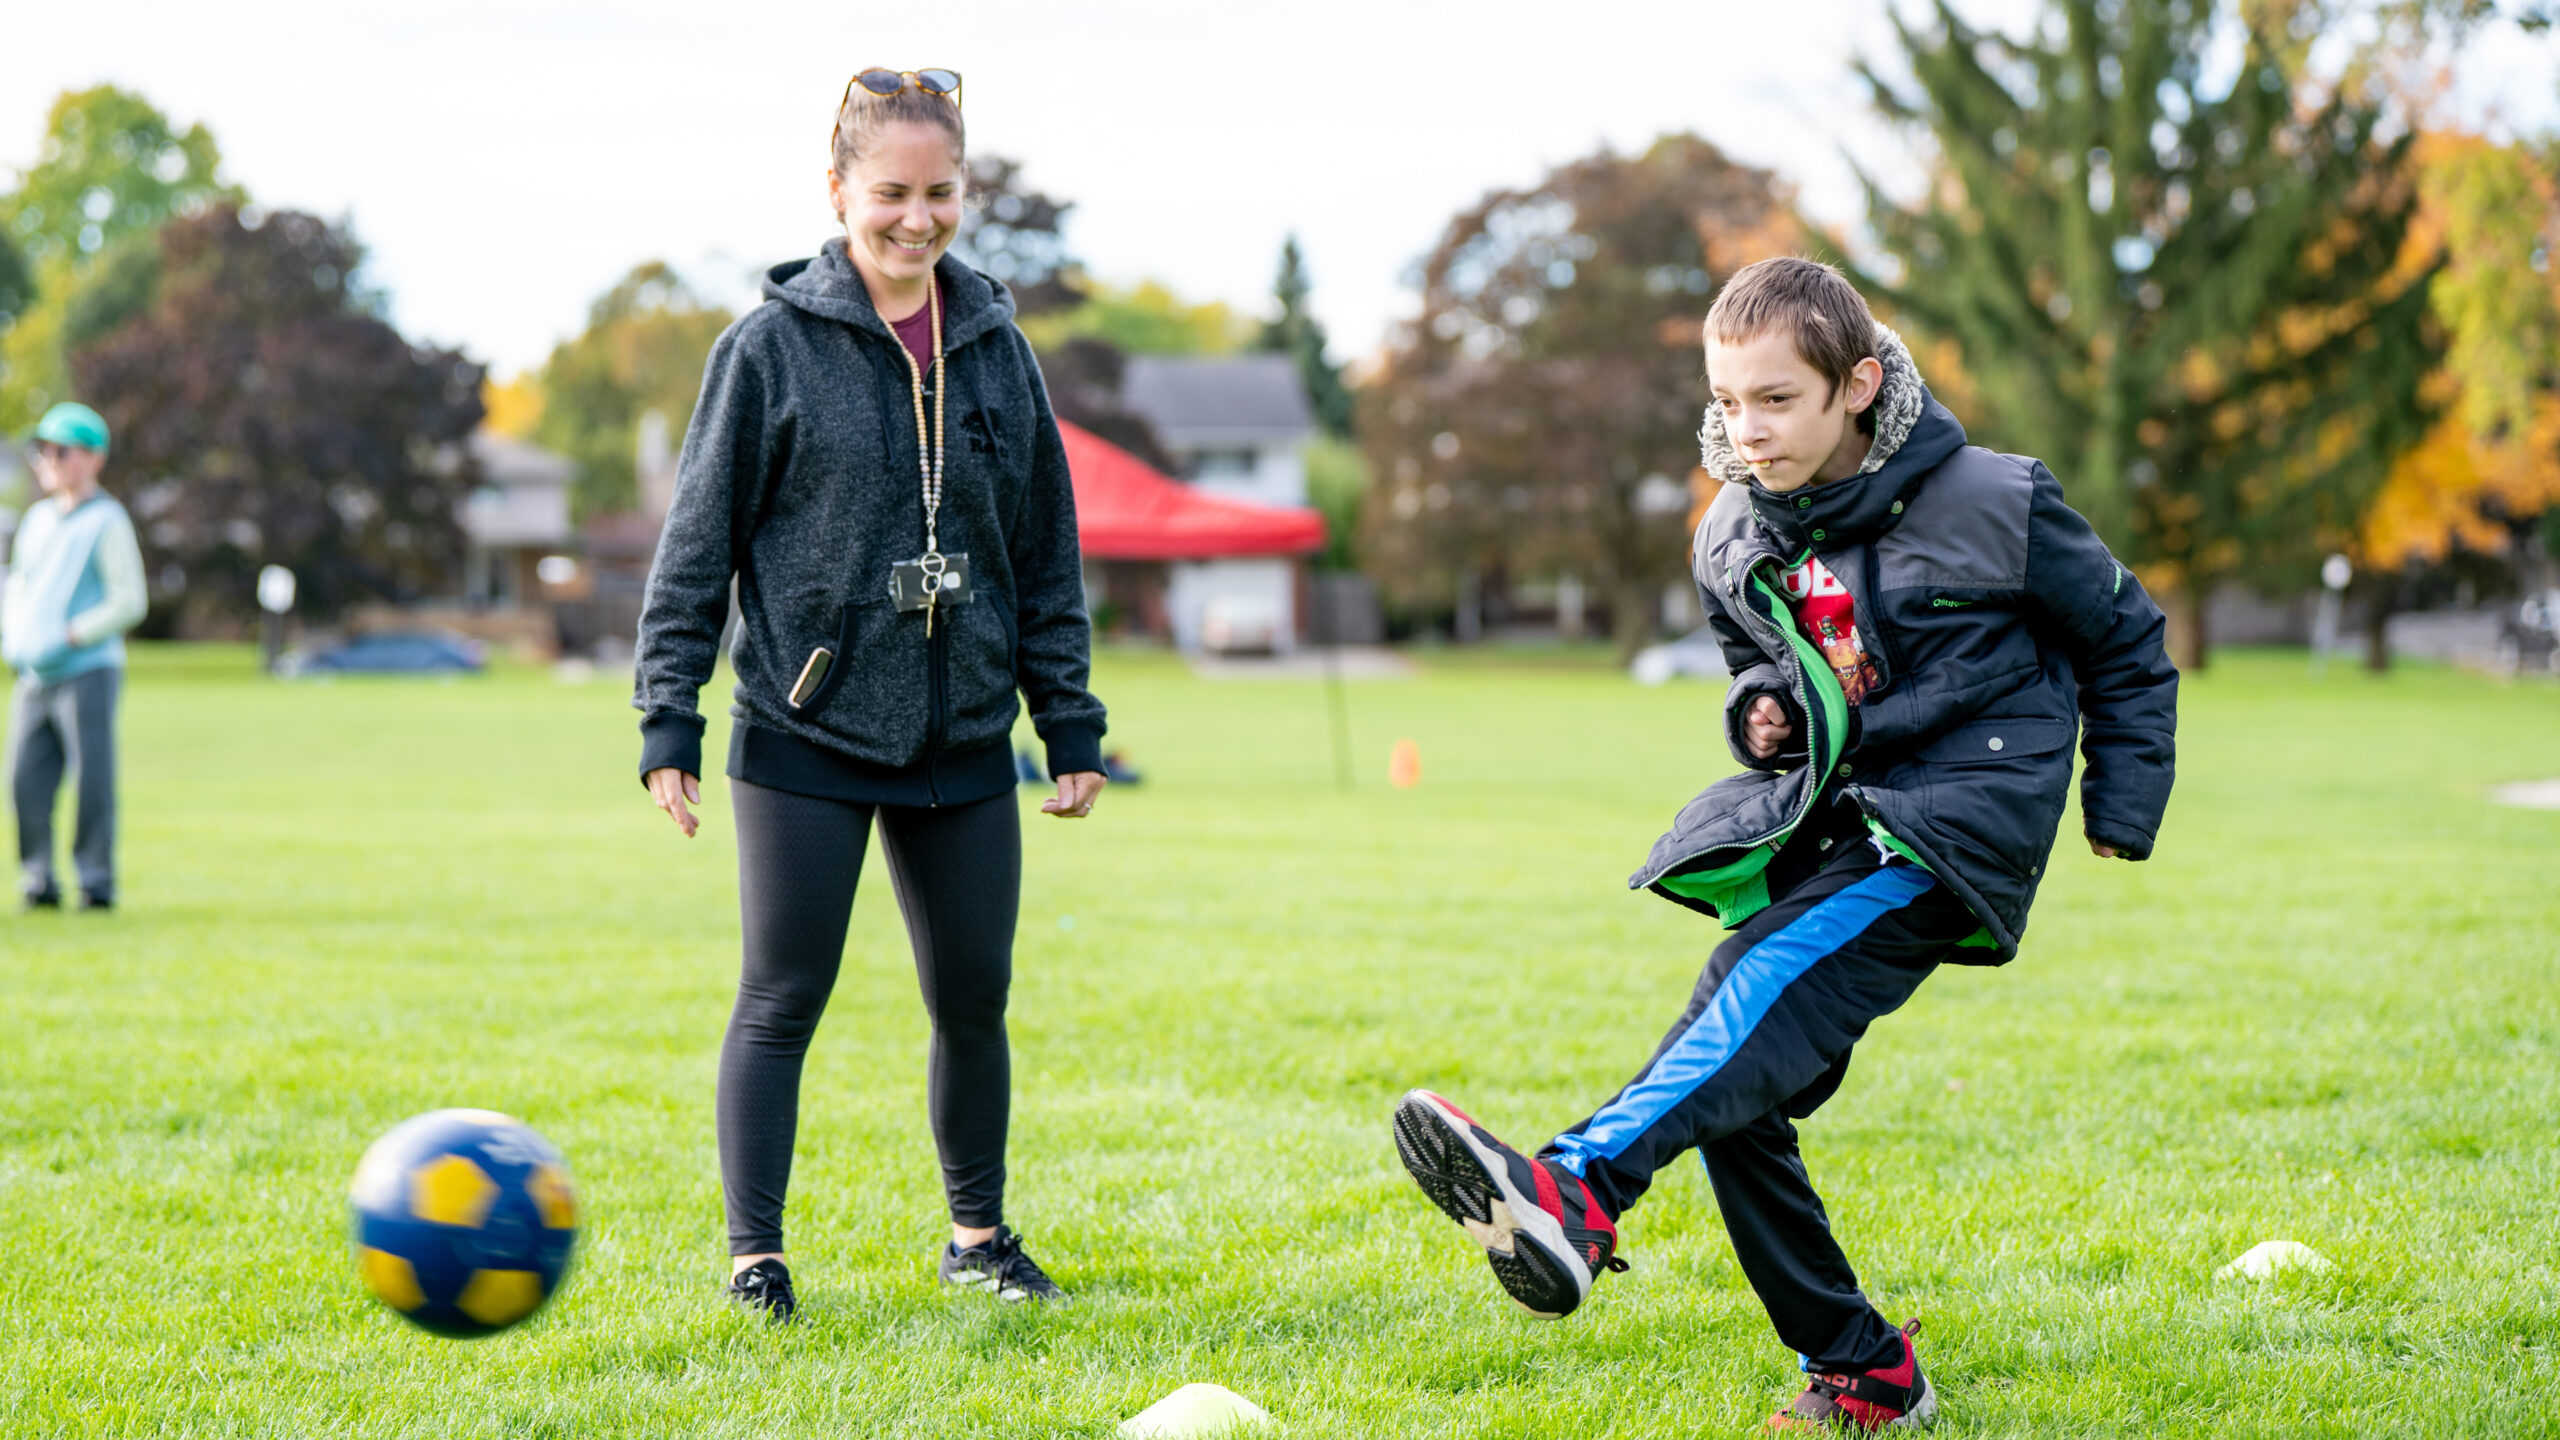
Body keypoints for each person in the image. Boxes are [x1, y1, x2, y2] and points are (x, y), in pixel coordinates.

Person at [1390, 257, 2177, 1432]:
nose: (1746, 430)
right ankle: (1863, 1369)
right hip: (1841, 815)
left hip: (1959, 822)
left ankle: (1578, 1187)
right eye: (1726, 401)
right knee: (1738, 1084)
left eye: (1774, 400)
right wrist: (1760, 711)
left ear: (1856, 386)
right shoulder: (1727, 531)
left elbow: (2127, 640)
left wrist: (2119, 806)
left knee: (1749, 982)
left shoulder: (1998, 500)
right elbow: (1760, 667)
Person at [632, 66, 1107, 1321]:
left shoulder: (999, 350)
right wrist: (668, 715)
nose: (917, 217)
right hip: (806, 728)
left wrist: (1067, 719)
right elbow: (696, 547)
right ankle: (756, 1261)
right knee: (782, 996)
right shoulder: (765, 351)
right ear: (837, 191)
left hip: (965, 734)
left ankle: (978, 1242)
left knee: (974, 999)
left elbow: (1045, 552)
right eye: (891, 192)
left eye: (940, 192)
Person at [5, 401, 147, 912]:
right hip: (34, 672)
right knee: (24, 779)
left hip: (88, 668)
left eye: (61, 450)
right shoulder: (37, 520)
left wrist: (72, 633)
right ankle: (38, 879)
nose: (50, 460)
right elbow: (20, 586)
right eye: (42, 450)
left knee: (91, 781)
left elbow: (129, 601)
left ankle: (95, 881)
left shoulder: (107, 521)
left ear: (93, 458)